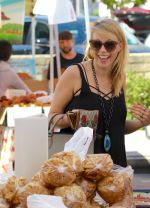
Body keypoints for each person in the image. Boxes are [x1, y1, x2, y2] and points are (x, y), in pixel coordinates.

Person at [48, 18, 150, 167]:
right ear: (91, 46)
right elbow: (50, 118)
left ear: (120, 46)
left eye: (109, 45)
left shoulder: (120, 77)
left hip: (115, 170)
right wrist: (72, 118)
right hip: (81, 170)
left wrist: (142, 122)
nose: (102, 50)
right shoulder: (74, 74)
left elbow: (116, 126)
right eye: (96, 44)